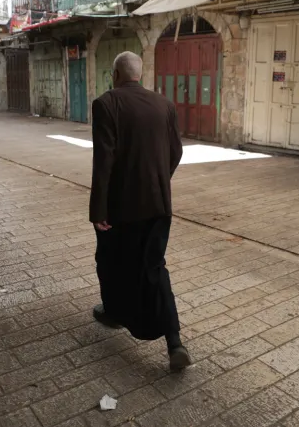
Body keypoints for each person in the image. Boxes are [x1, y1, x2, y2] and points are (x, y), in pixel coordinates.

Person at [89, 51, 189, 371]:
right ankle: (175, 343)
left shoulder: (106, 104)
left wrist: (99, 210)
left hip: (121, 209)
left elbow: (104, 161)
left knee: (110, 260)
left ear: (115, 74)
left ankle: (114, 312)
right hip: (159, 205)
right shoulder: (165, 105)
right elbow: (176, 152)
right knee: (155, 268)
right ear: (139, 75)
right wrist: (158, 182)